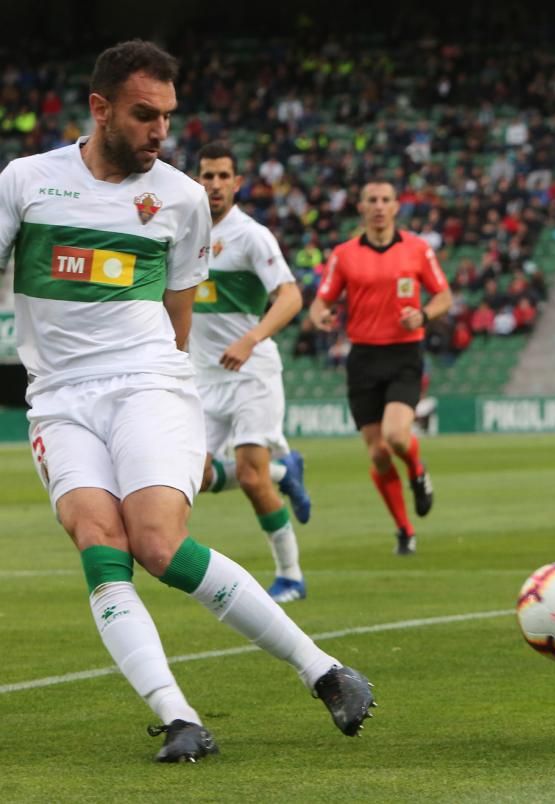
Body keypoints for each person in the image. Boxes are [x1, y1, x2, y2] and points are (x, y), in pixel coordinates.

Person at [0, 40, 374, 764]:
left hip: (149, 383)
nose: (160, 133)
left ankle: (324, 671)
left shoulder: (177, 197)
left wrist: (181, 406)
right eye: (145, 115)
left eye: (168, 117)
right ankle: (178, 718)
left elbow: (179, 317)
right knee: (100, 547)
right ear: (100, 109)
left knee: (157, 545)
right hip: (58, 399)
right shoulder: (24, 181)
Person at [190, 141, 313, 604]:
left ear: (237, 183)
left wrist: (250, 338)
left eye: (224, 176)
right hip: (203, 378)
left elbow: (290, 297)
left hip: (251, 373)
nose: (215, 184)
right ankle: (287, 470)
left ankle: (291, 575)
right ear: (197, 180)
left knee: (250, 476)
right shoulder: (185, 231)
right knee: (193, 476)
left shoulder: (251, 236)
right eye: (207, 175)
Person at [309, 179, 452, 555]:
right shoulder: (344, 253)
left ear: (395, 207)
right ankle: (405, 530)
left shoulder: (418, 250)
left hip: (404, 354)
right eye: (371, 199)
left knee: (397, 436)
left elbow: (444, 296)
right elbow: (321, 300)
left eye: (385, 200)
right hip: (363, 358)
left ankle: (418, 472)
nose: (378, 206)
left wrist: (421, 315)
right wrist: (321, 316)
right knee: (377, 454)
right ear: (361, 207)